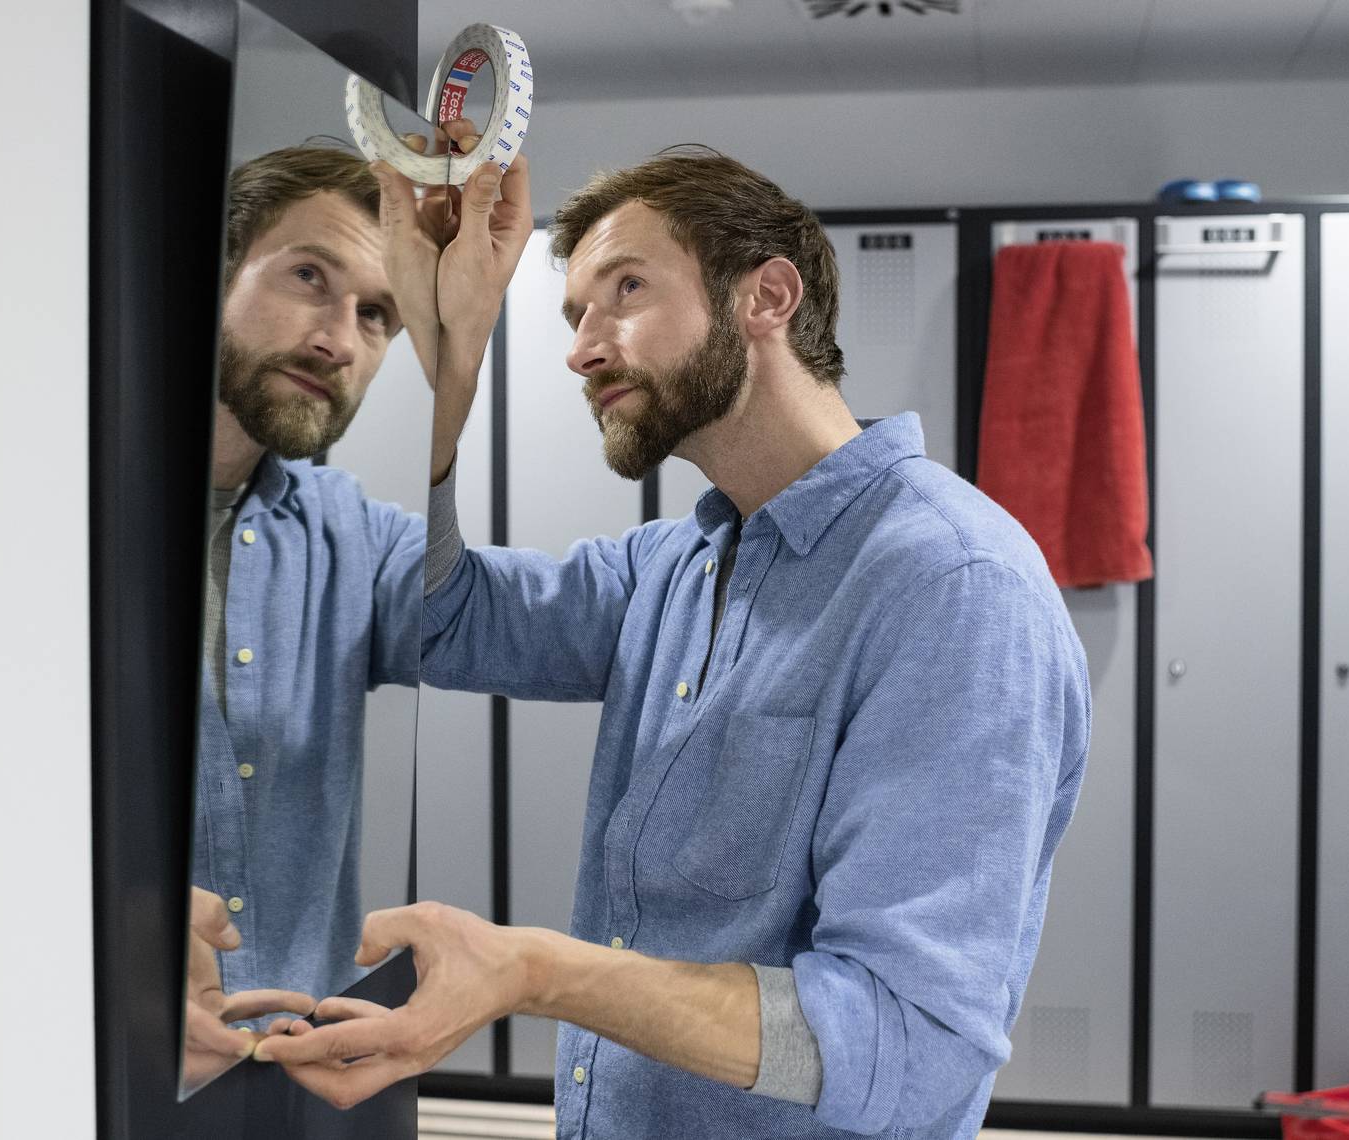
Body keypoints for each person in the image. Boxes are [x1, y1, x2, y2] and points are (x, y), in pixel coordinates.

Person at [253, 138, 1091, 1140]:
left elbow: (905, 1042)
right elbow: (437, 616)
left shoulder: (952, 589)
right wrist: (452, 364)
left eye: (626, 290)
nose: (581, 347)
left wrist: (537, 972)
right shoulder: (674, 565)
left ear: (765, 298)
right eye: (573, 314)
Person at [184, 144, 429, 1059]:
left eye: (377, 316)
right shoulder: (49, 511)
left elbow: (565, 623)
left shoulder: (350, 538)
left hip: (298, 1070)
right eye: (308, 277)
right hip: (75, 1063)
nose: (338, 338)